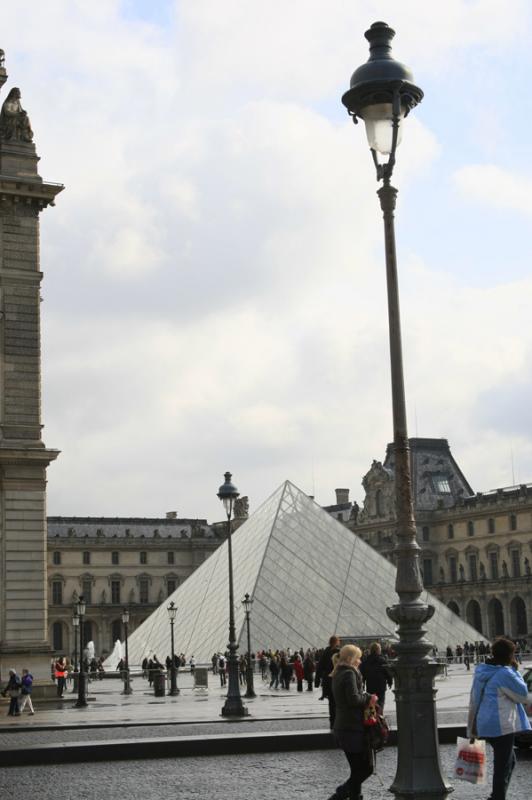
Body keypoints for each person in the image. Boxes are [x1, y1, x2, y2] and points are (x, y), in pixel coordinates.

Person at [467, 636, 532, 800]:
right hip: (501, 725)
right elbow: (523, 695)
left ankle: (497, 795)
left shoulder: (483, 670)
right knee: (502, 765)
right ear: (509, 655)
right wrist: (515, 670)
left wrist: (472, 726)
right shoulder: (505, 673)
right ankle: (497, 797)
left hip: (485, 722)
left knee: (510, 761)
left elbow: (474, 697)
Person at [328, 645, 377, 800]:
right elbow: (353, 699)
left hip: (344, 727)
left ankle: (356, 797)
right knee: (367, 768)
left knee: (356, 769)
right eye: (358, 657)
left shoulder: (339, 672)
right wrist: (369, 698)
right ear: (351, 659)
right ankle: (340, 794)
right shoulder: (349, 673)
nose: (360, 661)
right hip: (351, 727)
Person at [360, 642, 393, 710]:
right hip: (381, 686)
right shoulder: (382, 660)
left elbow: (362, 674)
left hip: (370, 685)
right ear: (378, 650)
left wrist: (362, 684)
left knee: (372, 703)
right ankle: (380, 717)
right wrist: (390, 681)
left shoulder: (366, 661)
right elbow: (388, 672)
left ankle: (373, 718)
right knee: (380, 702)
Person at [316, 635, 341, 727]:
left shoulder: (325, 652)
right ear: (336, 642)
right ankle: (338, 722)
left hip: (328, 681)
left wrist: (317, 681)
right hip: (337, 680)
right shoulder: (339, 652)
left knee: (331, 702)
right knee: (338, 702)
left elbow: (319, 667)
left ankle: (332, 721)